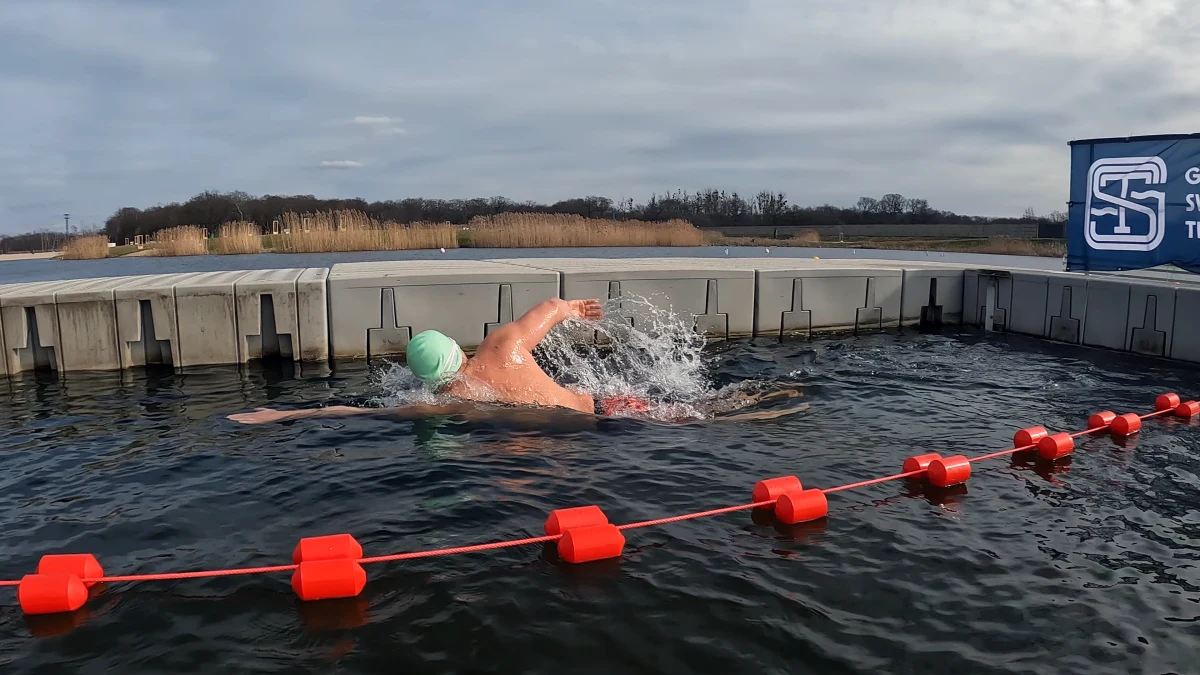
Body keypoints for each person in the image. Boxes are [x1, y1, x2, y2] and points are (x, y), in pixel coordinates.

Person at [229, 297, 642, 424]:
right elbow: (549, 306)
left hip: (580, 435)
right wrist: (572, 308)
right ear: (457, 352)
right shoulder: (504, 344)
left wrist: (284, 415)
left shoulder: (449, 400)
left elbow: (353, 411)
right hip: (604, 406)